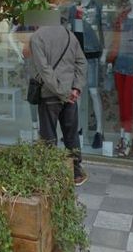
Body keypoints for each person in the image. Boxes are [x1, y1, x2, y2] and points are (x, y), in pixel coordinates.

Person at [29, 14, 89, 186]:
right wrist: (75, 89)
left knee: (48, 136)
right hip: (70, 95)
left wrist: (63, 92)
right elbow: (82, 63)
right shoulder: (70, 35)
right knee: (71, 134)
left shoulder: (37, 38)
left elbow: (45, 71)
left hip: (50, 94)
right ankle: (76, 173)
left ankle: (50, 175)